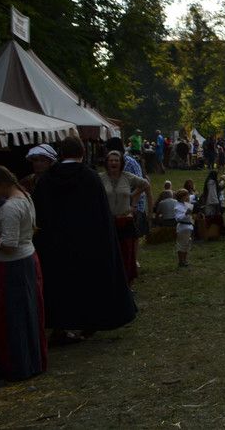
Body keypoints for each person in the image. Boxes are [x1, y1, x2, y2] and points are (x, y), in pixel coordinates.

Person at [33, 136, 136, 343]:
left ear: (61, 153)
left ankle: (60, 325)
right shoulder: (90, 178)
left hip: (55, 245)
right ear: (83, 152)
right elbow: (102, 215)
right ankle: (89, 321)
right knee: (88, 284)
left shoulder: (46, 179)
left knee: (60, 285)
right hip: (88, 243)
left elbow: (39, 215)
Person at [0, 166, 47, 380]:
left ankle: (17, 364)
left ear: (0, 184)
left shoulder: (10, 207)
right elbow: (13, 230)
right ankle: (28, 360)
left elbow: (9, 245)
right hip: (25, 260)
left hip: (13, 266)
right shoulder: (25, 196)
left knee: (14, 317)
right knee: (24, 313)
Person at [99, 150, 151, 287]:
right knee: (109, 254)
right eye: (111, 160)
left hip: (124, 221)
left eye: (116, 160)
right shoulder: (100, 178)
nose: (113, 162)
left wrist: (133, 199)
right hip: (108, 222)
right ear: (107, 163)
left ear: (121, 163)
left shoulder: (127, 177)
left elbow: (145, 184)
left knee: (127, 254)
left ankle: (128, 285)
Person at [174, 189, 195, 268]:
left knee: (187, 244)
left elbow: (193, 197)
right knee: (182, 245)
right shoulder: (178, 206)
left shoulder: (186, 204)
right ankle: (181, 261)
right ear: (182, 197)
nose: (188, 197)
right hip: (183, 227)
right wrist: (186, 214)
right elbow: (178, 218)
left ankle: (185, 260)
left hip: (189, 226)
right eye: (186, 196)